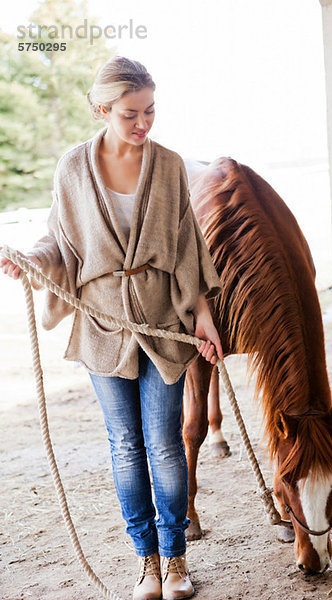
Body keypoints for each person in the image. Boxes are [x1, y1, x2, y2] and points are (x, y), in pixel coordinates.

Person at [0, 55, 224, 600]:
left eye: (150, 110)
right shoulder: (72, 168)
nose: (143, 123)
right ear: (102, 109)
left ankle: (175, 562)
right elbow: (61, 240)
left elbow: (190, 248)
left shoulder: (170, 165)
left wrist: (205, 316)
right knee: (125, 446)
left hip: (163, 322)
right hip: (104, 326)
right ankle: (145, 562)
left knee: (166, 445)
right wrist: (30, 260)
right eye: (130, 114)